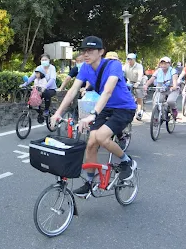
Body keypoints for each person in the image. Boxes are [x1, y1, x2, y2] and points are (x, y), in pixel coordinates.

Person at [51, 36, 137, 197]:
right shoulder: (85, 68)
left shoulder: (114, 65)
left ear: (101, 52)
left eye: (90, 50)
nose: (86, 54)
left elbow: (108, 91)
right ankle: (90, 182)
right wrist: (57, 113)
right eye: (84, 51)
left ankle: (127, 161)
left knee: (102, 137)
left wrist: (92, 115)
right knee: (90, 143)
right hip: (105, 108)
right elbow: (72, 91)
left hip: (124, 108)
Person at [123, 53, 146, 121]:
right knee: (126, 96)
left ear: (134, 60)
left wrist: (138, 82)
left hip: (138, 82)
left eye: (131, 59)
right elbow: (122, 73)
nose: (129, 61)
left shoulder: (139, 66)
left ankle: (139, 111)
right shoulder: (125, 66)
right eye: (128, 59)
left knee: (139, 97)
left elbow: (140, 74)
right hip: (129, 82)